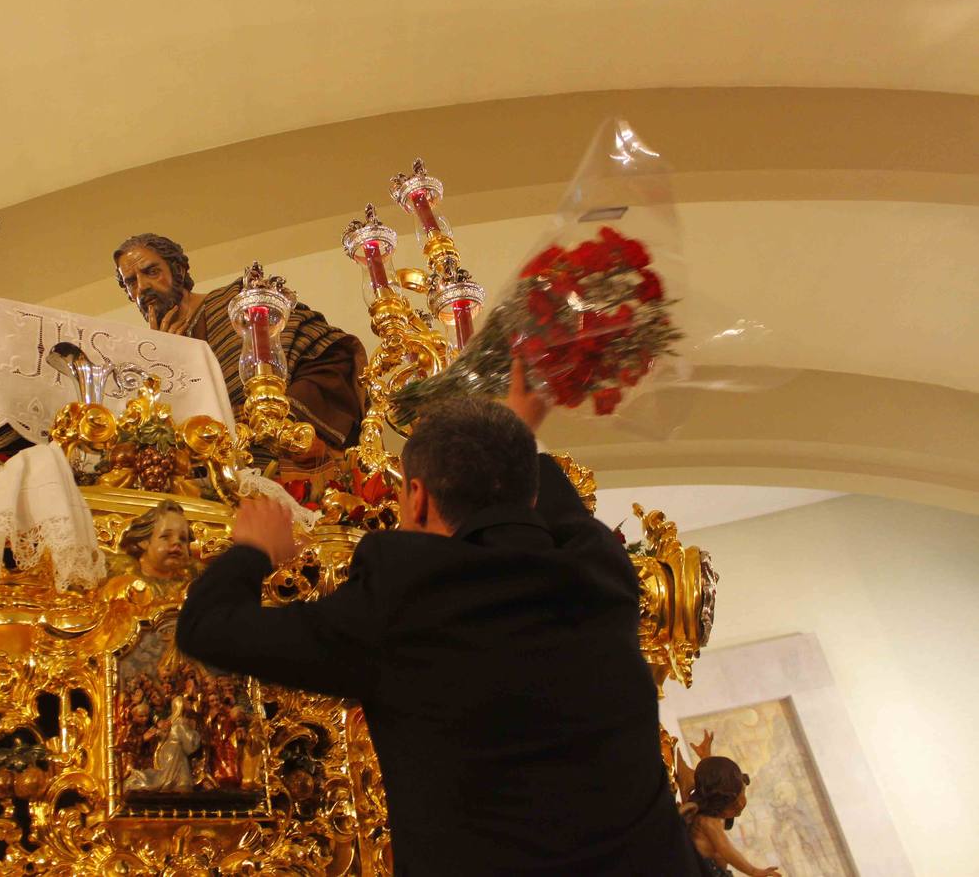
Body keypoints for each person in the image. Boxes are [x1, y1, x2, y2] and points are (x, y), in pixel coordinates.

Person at [176, 358, 702, 875]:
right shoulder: (600, 571)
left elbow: (207, 628)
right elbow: (558, 509)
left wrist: (252, 550)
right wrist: (510, 434)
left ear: (418, 498)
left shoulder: (401, 599)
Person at [113, 233, 366, 459]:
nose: (142, 287)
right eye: (131, 282)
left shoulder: (237, 302)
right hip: (218, 466)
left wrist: (280, 416)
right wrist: (160, 360)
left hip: (277, 447)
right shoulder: (146, 356)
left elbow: (324, 350)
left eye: (151, 271)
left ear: (178, 270)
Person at [683, 757, 781, 877]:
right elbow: (725, 850)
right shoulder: (708, 822)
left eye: (743, 794)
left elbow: (714, 777)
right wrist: (753, 871)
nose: (741, 804)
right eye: (733, 804)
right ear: (717, 803)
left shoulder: (712, 816)